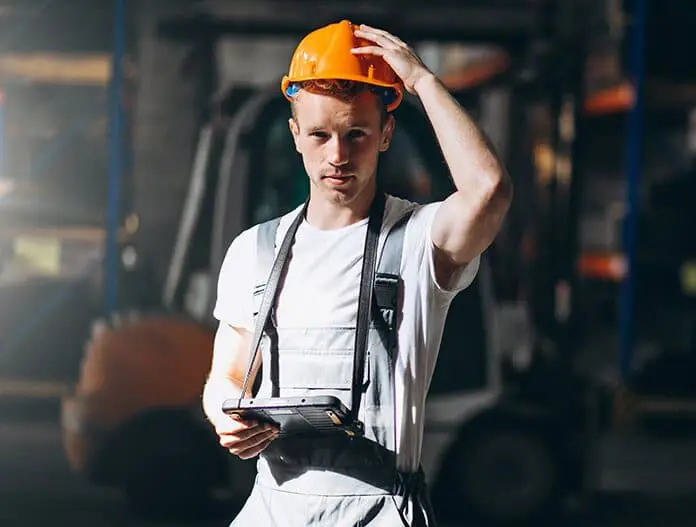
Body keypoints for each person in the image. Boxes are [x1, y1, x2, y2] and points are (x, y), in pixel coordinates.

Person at [201, 20, 512, 527]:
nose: (338, 155)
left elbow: (489, 190)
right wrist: (224, 414)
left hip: (379, 510)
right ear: (295, 133)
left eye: (357, 134)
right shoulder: (254, 252)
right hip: (273, 509)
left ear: (386, 133)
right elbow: (229, 374)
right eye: (320, 135)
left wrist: (423, 83)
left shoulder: (417, 242)